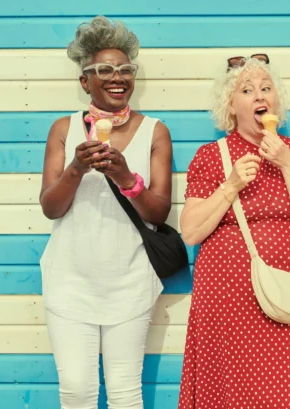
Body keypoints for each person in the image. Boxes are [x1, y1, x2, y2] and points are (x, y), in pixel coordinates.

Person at [177, 54, 290, 409]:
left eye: (266, 88)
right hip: (224, 303)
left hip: (279, 299)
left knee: (279, 393)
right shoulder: (211, 156)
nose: (259, 96)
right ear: (231, 106)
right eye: (246, 90)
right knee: (226, 394)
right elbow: (191, 232)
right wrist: (230, 185)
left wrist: (287, 164)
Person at [39, 16, 173, 409]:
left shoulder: (155, 131)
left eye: (126, 69)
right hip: (69, 281)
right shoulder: (63, 130)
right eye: (105, 70)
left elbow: (159, 213)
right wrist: (76, 168)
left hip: (130, 281)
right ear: (85, 81)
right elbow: (50, 207)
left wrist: (127, 178)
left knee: (125, 393)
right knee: (77, 390)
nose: (118, 78)